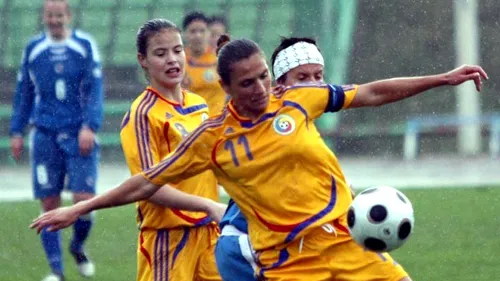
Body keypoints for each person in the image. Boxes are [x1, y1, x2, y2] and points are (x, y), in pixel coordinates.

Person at [31, 34, 488, 281]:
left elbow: (370, 92)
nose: (261, 88)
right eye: (247, 82)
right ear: (225, 88)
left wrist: (443, 78)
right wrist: (82, 207)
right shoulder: (213, 138)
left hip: (345, 240)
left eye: (264, 77)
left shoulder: (298, 99)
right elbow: (147, 181)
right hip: (288, 263)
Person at [214, 36, 329, 281]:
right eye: (302, 78)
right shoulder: (275, 127)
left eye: (318, 76)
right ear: (279, 85)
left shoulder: (300, 125)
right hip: (245, 246)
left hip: (274, 245)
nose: (313, 85)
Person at [120, 19, 224, 281]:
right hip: (168, 240)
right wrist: (208, 205)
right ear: (142, 59)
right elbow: (148, 186)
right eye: (160, 53)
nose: (172, 59)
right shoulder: (142, 114)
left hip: (210, 234)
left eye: (177, 51)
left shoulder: (199, 105)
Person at [10, 1, 103, 280]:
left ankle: (77, 246)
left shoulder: (84, 45)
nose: (55, 20)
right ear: (44, 17)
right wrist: (17, 130)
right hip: (45, 134)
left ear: (68, 16)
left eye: (59, 15)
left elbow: (95, 88)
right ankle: (57, 271)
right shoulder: (33, 49)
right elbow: (24, 91)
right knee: (49, 203)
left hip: (78, 133)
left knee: (83, 200)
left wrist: (90, 125)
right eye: (50, 15)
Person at [182, 11, 227, 116]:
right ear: (184, 34)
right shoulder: (179, 62)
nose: (198, 36)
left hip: (217, 125)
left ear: (208, 33)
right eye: (193, 31)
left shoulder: (221, 59)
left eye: (202, 31)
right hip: (191, 124)